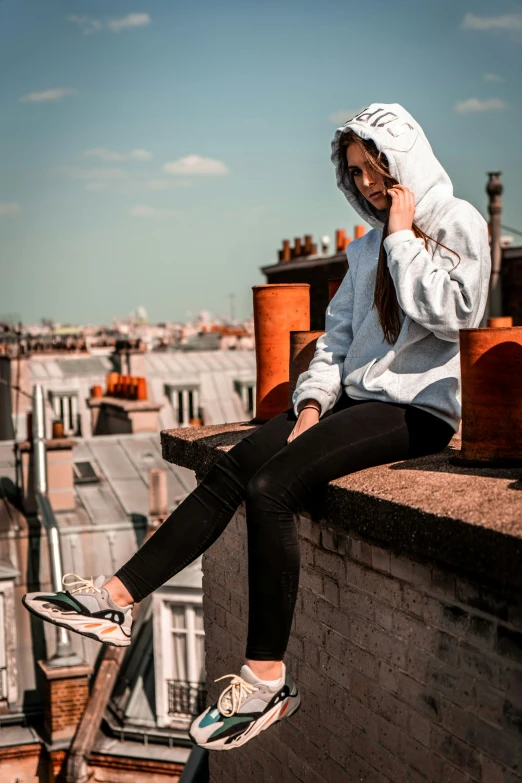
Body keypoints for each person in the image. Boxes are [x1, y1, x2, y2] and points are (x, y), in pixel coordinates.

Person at [22, 102, 491, 751]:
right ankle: (116, 598)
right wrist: (309, 405)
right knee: (235, 465)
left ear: (400, 158)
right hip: (355, 400)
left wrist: (404, 239)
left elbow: (458, 313)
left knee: (273, 488)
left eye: (372, 167)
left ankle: (266, 679)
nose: (364, 184)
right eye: (353, 173)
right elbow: (338, 341)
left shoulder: (456, 222)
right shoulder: (363, 251)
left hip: (419, 409)